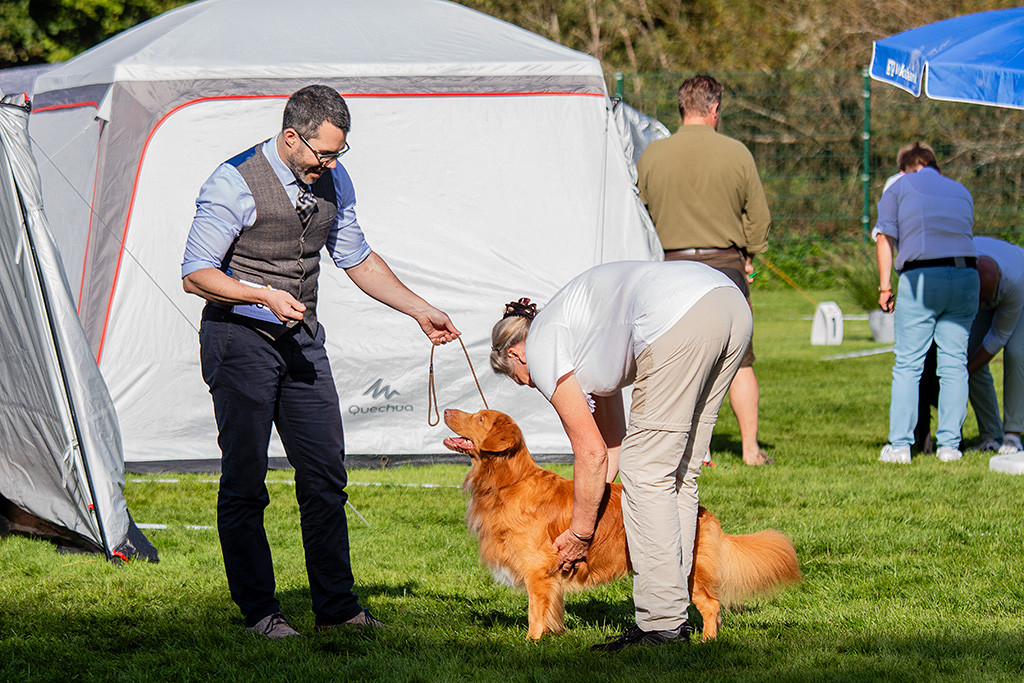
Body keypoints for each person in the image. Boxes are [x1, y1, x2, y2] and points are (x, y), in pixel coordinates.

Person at [181, 85, 459, 638]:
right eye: (322, 154)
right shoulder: (232, 182)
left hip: (302, 341)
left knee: (326, 475)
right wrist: (260, 293)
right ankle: (261, 613)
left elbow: (356, 257)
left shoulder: (332, 179)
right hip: (239, 341)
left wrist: (419, 309)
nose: (329, 165)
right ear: (291, 138)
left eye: (337, 154)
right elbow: (195, 274)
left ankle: (338, 608)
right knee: (245, 480)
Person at [489, 260, 752, 651]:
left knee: (646, 473)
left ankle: (660, 625)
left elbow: (591, 454)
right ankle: (675, 611)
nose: (528, 385)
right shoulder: (576, 334)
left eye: (516, 377)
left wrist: (580, 532)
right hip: (729, 304)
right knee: (677, 474)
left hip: (678, 314)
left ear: (516, 353)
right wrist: (593, 506)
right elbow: (611, 447)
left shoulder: (543, 349)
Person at [636, 74, 773, 466]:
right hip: (723, 266)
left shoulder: (652, 155)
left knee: (679, 358)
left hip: (670, 268)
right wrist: (750, 252)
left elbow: (640, 214)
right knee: (739, 359)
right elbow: (758, 217)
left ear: (681, 108)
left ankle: (701, 450)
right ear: (714, 109)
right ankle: (750, 450)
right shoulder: (737, 153)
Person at [875, 141, 978, 464]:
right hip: (965, 277)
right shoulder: (960, 190)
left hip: (922, 278)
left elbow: (884, 237)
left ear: (904, 168)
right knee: (954, 364)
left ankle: (900, 445)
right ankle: (950, 446)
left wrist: (884, 286)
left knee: (908, 364)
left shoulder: (898, 186)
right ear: (936, 166)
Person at [966, 236, 1024, 454]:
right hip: (977, 286)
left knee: (1017, 352)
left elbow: (998, 337)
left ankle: (1012, 436)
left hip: (1020, 289)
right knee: (969, 353)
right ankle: (991, 436)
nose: (984, 306)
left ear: (998, 278)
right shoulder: (962, 261)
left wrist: (965, 372)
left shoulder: (1015, 281)